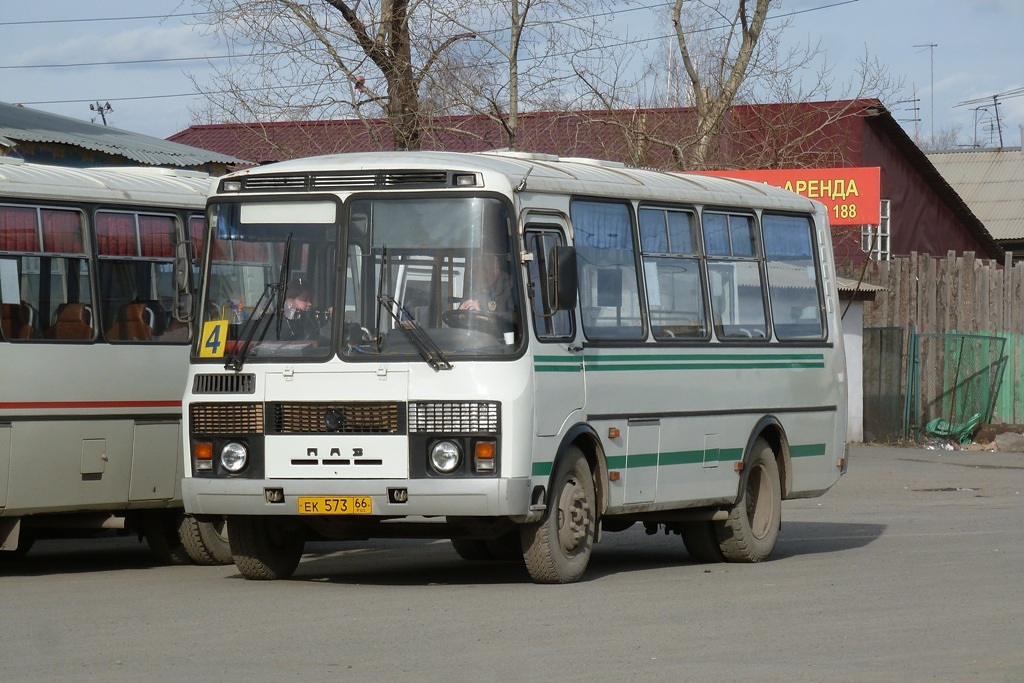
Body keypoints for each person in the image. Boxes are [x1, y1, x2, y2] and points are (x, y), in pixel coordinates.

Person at [280, 277, 323, 341]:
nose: (310, 304)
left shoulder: (313, 321)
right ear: (289, 302)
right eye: (305, 300)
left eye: (311, 299)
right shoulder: (280, 326)